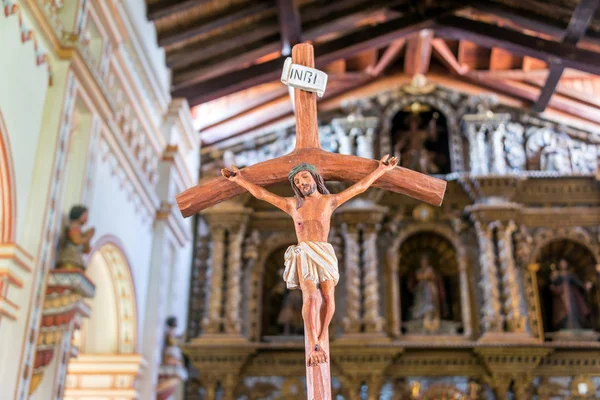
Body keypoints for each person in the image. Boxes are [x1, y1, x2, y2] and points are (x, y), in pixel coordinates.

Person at [222, 155, 398, 366]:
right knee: (312, 297)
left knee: (328, 296)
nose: (301, 183)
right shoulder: (292, 205)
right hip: (304, 252)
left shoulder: (329, 201)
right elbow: (261, 194)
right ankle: (314, 341)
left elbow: (359, 187)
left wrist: (381, 170)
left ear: (315, 178)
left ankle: (322, 337)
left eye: (304, 177)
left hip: (324, 251)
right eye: (296, 181)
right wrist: (238, 179)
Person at [549, 259, 594, 331]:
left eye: (564, 263)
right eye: (561, 263)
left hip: (571, 296)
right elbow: (553, 284)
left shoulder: (570, 274)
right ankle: (565, 327)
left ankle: (575, 326)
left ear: (566, 264)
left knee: (573, 310)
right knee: (563, 312)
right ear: (559, 265)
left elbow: (578, 283)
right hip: (561, 298)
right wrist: (553, 278)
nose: (562, 265)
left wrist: (585, 286)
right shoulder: (556, 274)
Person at [408, 254, 448, 333]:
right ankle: (421, 316)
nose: (424, 263)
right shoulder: (418, 270)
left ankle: (431, 316)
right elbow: (417, 279)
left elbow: (431, 277)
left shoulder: (430, 269)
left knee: (430, 301)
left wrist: (425, 277)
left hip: (429, 288)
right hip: (420, 289)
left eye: (425, 261)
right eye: (422, 261)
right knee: (420, 301)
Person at [55, 205, 95, 270]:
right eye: (85, 215)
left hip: (76, 259)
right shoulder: (74, 226)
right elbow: (76, 240)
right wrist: (87, 237)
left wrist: (87, 238)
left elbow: (86, 250)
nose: (86, 218)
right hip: (69, 258)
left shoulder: (80, 230)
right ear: (78, 214)